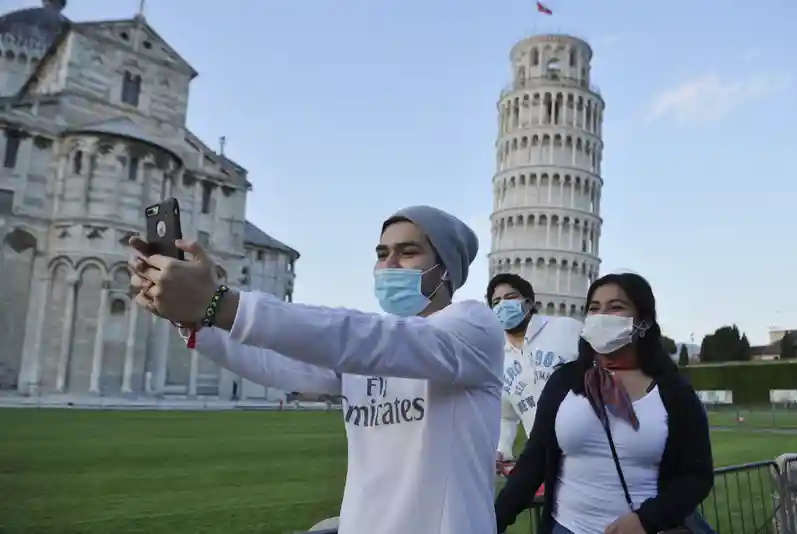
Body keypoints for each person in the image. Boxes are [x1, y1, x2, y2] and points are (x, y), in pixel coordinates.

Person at [128, 206, 504, 534]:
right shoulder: (373, 351)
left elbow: (360, 337)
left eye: (408, 253)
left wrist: (219, 302)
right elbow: (274, 363)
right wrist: (193, 318)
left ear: (445, 269)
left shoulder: (471, 326)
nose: (388, 265)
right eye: (381, 253)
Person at [495, 272, 714, 534]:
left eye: (616, 307)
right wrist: (494, 519)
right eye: (594, 309)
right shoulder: (564, 382)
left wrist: (647, 519)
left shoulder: (674, 392)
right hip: (567, 527)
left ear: (642, 320)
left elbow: (697, 476)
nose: (602, 316)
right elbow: (534, 461)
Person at [486, 273, 582, 467]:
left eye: (510, 297)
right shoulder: (498, 357)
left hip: (588, 447)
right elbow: (507, 415)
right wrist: (502, 450)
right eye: (496, 302)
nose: (503, 305)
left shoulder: (566, 329)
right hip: (544, 459)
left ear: (528, 303)